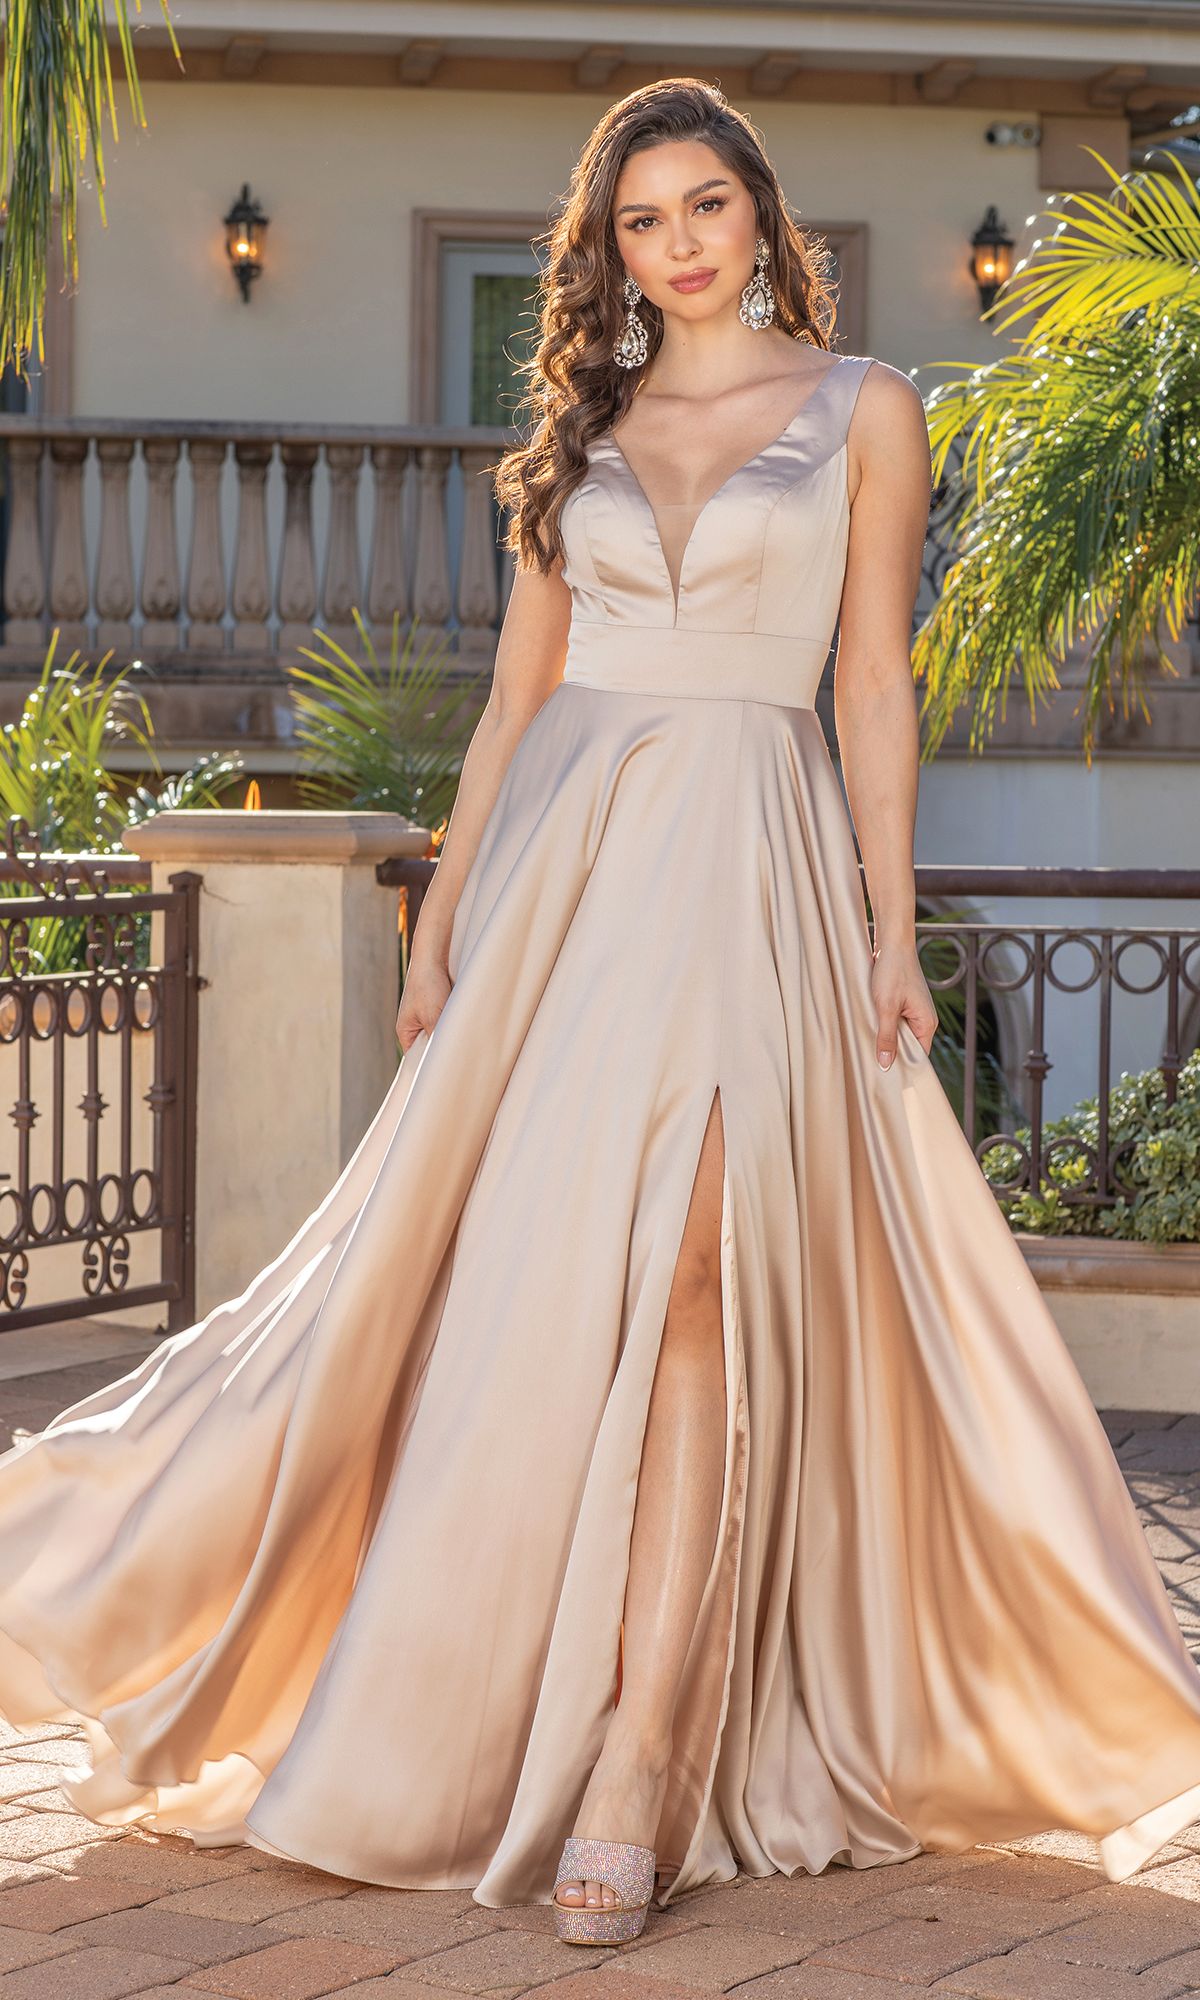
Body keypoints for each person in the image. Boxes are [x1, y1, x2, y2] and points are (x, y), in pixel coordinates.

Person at [1, 75, 1199, 1955]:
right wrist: (442, 920)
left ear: (759, 212)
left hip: (756, 870)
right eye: (641, 221)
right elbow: (510, 707)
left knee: (713, 1275)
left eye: (705, 204)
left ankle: (640, 1760)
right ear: (611, 250)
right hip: (574, 878)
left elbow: (871, 688)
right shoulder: (582, 429)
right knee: (498, 1302)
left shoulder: (867, 408)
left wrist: (894, 932)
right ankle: (436, 1678)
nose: (680, 244)